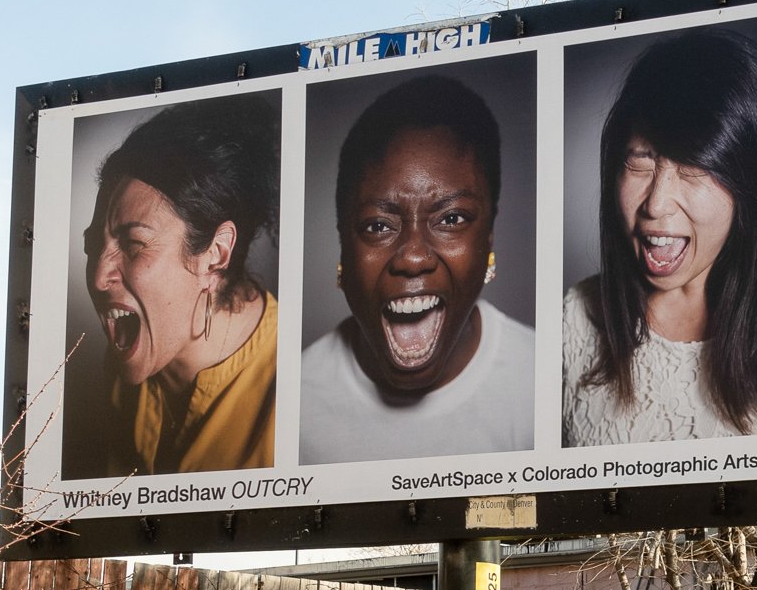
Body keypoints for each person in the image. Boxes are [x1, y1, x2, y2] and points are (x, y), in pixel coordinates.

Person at [562, 26, 757, 445]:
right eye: (641, 161)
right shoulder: (573, 321)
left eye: (694, 167)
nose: (656, 204)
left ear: (750, 184)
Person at [300, 74, 534, 464]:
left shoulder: (545, 380)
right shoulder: (289, 404)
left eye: (452, 218)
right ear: (343, 248)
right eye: (378, 226)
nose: (412, 257)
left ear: (488, 239)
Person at [82, 95, 280, 475]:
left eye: (133, 244)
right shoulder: (121, 367)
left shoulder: (292, 387)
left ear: (216, 254)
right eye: (94, 246)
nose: (97, 278)